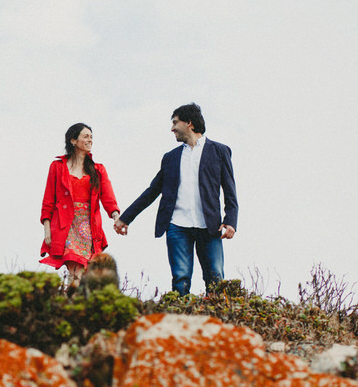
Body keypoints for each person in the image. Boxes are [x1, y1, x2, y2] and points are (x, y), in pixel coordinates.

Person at [113, 103, 238, 295]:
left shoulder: (220, 151)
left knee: (215, 280)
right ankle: (180, 321)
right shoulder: (170, 157)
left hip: (210, 226)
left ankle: (218, 322)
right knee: (180, 279)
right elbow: (152, 191)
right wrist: (126, 217)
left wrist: (230, 221)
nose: (172, 128)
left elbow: (230, 190)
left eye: (175, 123)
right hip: (177, 226)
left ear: (189, 123)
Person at [39, 123, 121, 287]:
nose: (90, 140)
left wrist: (116, 217)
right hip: (65, 225)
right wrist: (47, 230)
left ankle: (74, 298)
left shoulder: (98, 170)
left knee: (84, 268)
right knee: (74, 265)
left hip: (88, 226)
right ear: (73, 141)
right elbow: (48, 200)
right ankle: (74, 299)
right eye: (86, 136)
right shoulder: (57, 167)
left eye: (91, 137)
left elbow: (108, 197)